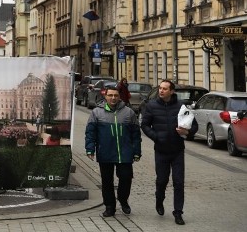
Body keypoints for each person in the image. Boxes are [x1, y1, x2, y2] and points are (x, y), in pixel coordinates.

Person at [141, 79, 198, 226]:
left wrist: (187, 131)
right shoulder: (152, 105)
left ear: (172, 91)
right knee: (162, 181)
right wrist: (156, 137)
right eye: (160, 88)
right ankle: (159, 200)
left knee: (178, 182)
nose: (161, 91)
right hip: (161, 150)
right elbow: (145, 125)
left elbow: (194, 126)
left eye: (165, 89)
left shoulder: (181, 106)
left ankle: (178, 213)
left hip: (177, 150)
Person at [85, 84, 141, 217]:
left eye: (115, 95)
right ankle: (110, 206)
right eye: (110, 95)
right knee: (107, 181)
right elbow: (90, 132)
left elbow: (136, 135)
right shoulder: (97, 112)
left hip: (125, 152)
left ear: (119, 97)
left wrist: (137, 151)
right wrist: (90, 148)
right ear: (105, 96)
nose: (113, 98)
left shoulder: (129, 112)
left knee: (126, 178)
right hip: (105, 151)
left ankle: (123, 200)